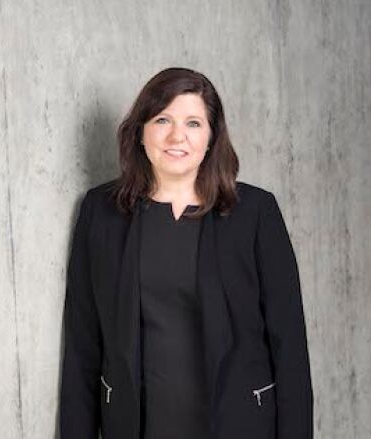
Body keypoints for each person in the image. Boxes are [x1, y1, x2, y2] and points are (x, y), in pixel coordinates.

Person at [59, 67, 313, 439]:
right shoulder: (101, 213)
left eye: (193, 123)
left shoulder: (255, 213)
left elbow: (289, 346)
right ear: (140, 132)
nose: (177, 136)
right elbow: (83, 343)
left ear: (211, 137)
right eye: (163, 119)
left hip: (238, 425)